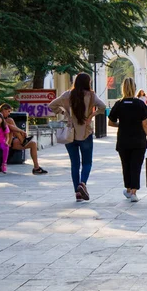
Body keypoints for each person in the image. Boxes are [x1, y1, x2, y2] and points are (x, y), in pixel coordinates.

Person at [48, 72, 106, 202]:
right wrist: (92, 115)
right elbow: (103, 107)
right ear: (87, 83)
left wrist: (65, 113)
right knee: (87, 162)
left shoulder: (67, 95)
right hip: (85, 132)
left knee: (74, 164)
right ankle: (83, 183)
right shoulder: (91, 95)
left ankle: (77, 193)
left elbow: (52, 105)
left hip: (70, 133)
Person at [108, 78, 147, 202]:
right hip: (139, 141)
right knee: (136, 166)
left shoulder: (118, 104)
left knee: (126, 165)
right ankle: (134, 191)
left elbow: (110, 122)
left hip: (123, 140)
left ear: (122, 88)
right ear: (134, 88)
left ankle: (128, 189)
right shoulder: (140, 104)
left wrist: (122, 125)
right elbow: (145, 124)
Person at [0, 103, 48, 175]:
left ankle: (36, 168)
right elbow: (9, 127)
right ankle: (23, 140)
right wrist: (21, 131)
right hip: (2, 142)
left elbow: (10, 129)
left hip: (9, 140)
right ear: (3, 110)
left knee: (33, 144)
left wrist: (19, 132)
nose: (9, 114)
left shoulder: (5, 119)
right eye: (8, 111)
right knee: (11, 122)